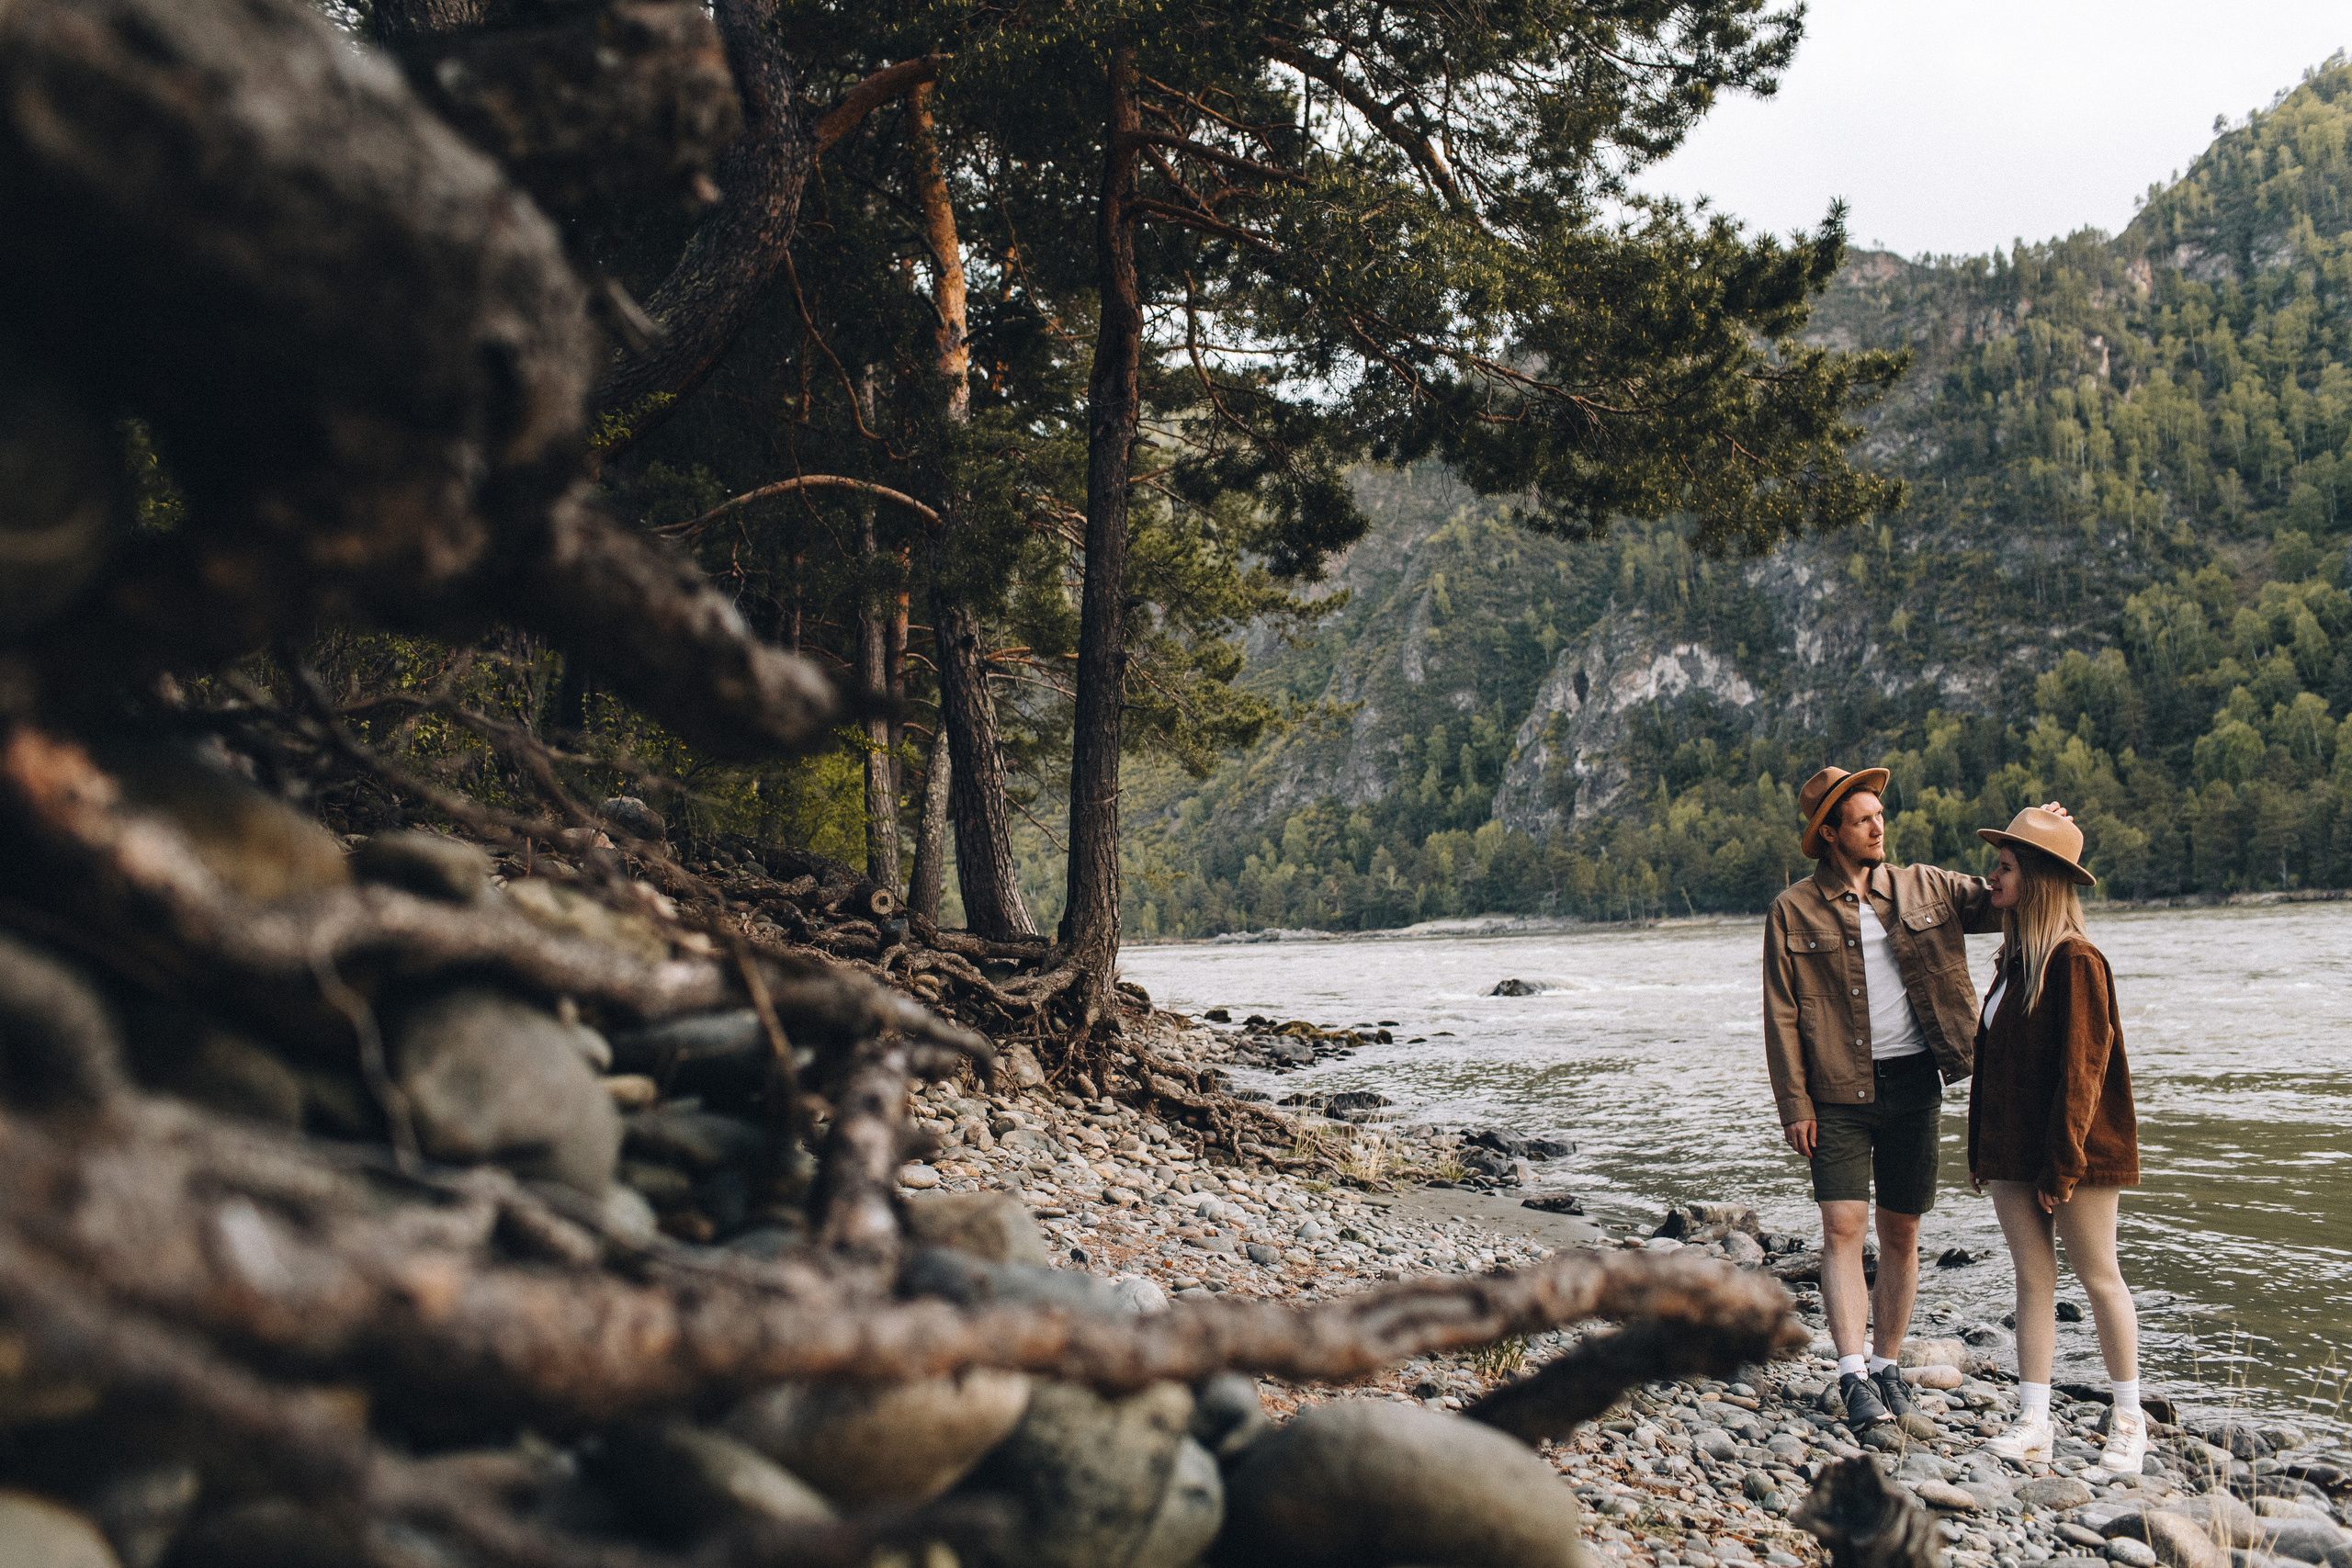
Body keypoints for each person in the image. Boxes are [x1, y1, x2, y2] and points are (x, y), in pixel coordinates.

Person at [1763, 766, 2019, 1428]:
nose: (1880, 826)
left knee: (1902, 1231)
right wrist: (1795, 1103)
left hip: (1914, 1082)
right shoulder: (1791, 909)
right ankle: (1851, 1374)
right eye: (1864, 818)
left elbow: (2004, 898)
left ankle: (1887, 1365)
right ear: (1830, 833)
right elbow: (1782, 1013)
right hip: (1836, 1092)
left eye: (1881, 814)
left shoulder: (1924, 885)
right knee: (1842, 1226)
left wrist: (2041, 841)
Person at [1967, 807, 2145, 1475]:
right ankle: (2033, 1422)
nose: (1991, 875)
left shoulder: (2076, 961)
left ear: (2037, 879)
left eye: (2006, 866)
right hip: (2014, 1153)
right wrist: (1984, 1156)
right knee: (2033, 1279)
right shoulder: (2015, 962)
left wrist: (2063, 1165)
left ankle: (2129, 1421)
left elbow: (2083, 1074)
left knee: (2100, 1278)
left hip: (2078, 1154)